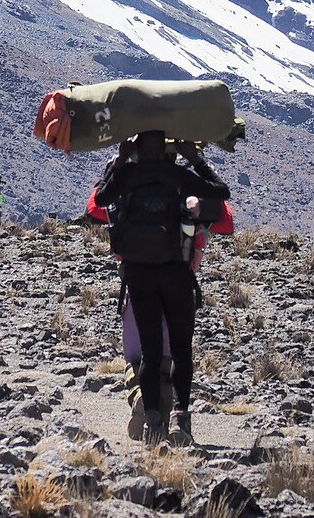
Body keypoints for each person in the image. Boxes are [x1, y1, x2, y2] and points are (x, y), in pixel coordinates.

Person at [91, 132, 230, 446]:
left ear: (138, 149)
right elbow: (221, 192)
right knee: (181, 349)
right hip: (175, 274)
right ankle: (181, 417)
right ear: (168, 151)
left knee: (151, 353)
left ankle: (153, 422)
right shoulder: (177, 174)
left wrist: (121, 158)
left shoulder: (127, 174)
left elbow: (99, 200)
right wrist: (194, 158)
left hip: (139, 275)